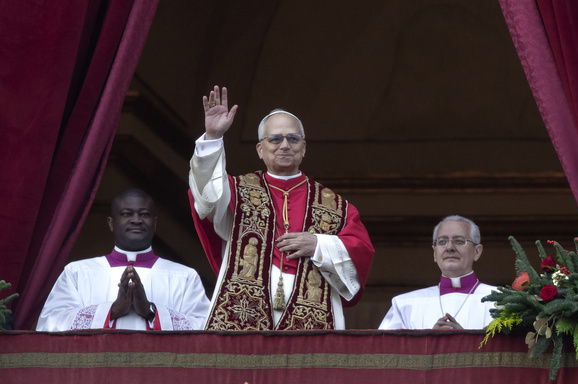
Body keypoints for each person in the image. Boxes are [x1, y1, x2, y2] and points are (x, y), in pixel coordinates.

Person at [188, 85, 374, 330]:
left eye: (293, 138)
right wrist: (212, 138)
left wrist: (318, 244)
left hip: (313, 311)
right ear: (260, 149)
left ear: (304, 148)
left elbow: (361, 252)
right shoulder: (235, 189)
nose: (284, 145)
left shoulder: (336, 206)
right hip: (243, 307)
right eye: (275, 139)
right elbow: (206, 197)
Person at [37, 188, 211, 331]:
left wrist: (151, 311)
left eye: (144, 214)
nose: (136, 220)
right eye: (127, 214)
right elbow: (50, 324)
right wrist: (111, 310)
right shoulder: (77, 273)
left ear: (155, 223)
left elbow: (206, 328)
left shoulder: (185, 277)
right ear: (111, 223)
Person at [379, 215, 495, 330]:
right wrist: (430, 341)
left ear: (476, 252)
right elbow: (385, 347)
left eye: (459, 241)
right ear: (434, 253)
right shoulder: (404, 305)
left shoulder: (501, 303)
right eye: (442, 241)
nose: (449, 247)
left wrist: (464, 340)